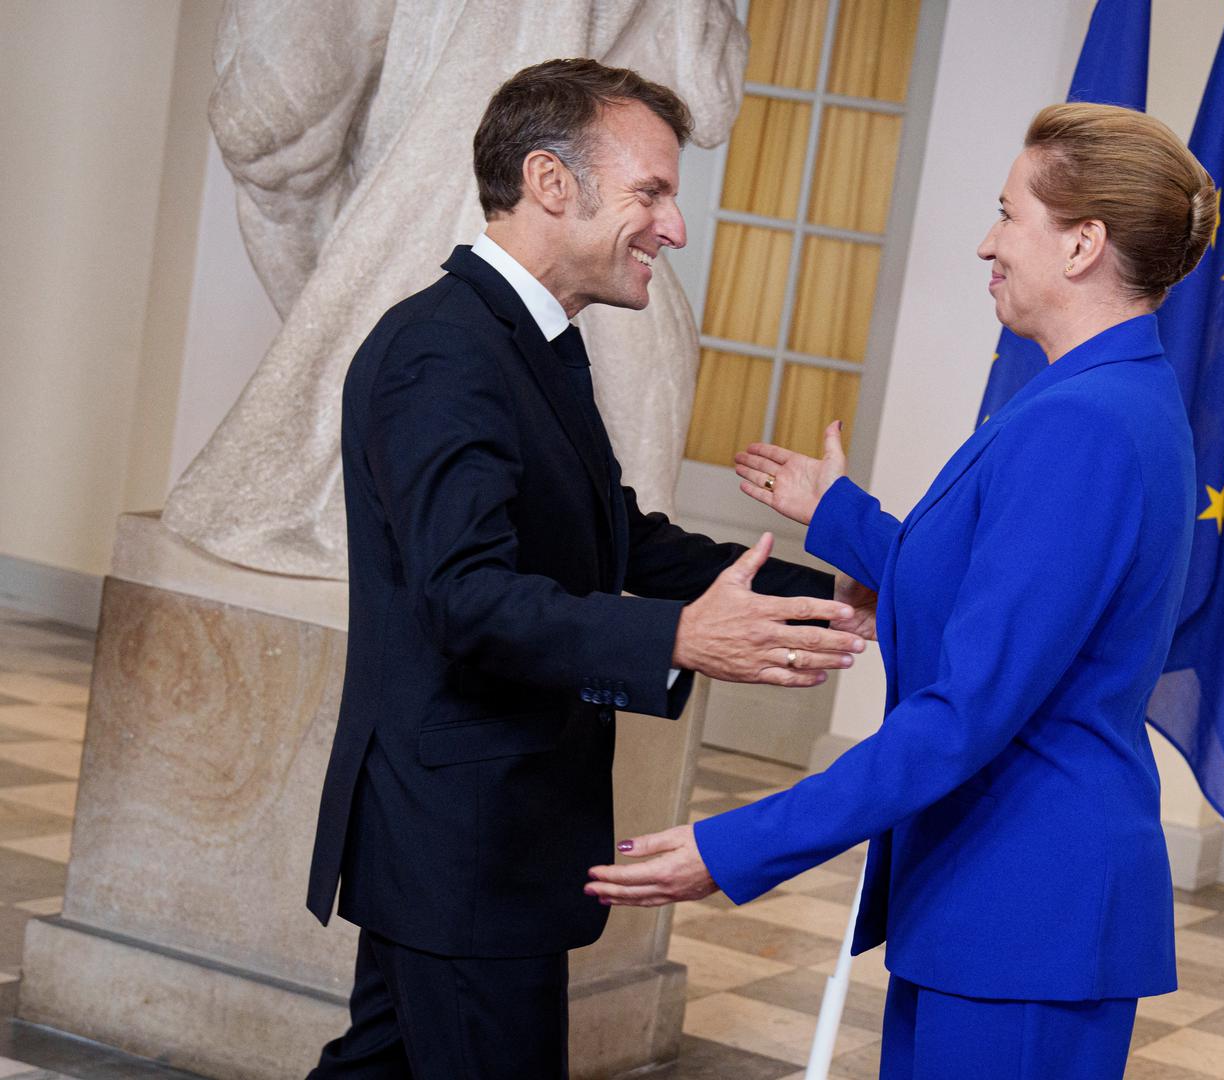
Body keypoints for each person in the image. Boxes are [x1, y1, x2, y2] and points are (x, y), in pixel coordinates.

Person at [587, 102, 1217, 1079]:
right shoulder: (1093, 397)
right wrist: (838, 513)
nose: (987, 244)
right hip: (987, 897)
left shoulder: (1083, 424)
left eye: (1009, 216)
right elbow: (995, 591)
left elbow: (971, 706)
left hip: (1026, 910)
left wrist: (742, 841)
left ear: (1083, 243)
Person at [304, 59, 872, 1079]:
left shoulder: (523, 343)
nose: (675, 227)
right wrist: (676, 639)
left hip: (470, 838)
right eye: (652, 191)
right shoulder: (445, 352)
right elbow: (463, 597)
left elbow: (622, 541)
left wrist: (831, 592)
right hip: (462, 842)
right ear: (551, 183)